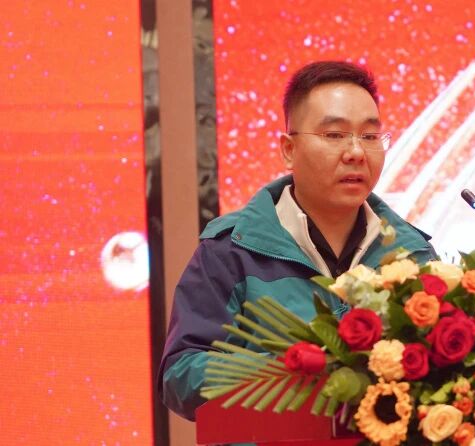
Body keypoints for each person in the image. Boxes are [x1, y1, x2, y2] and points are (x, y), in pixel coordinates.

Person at [159, 60, 438, 421]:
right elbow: (180, 375)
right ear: (289, 149)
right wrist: (290, 371)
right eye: (334, 135)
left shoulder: (413, 255)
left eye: (370, 136)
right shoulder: (231, 250)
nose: (356, 152)